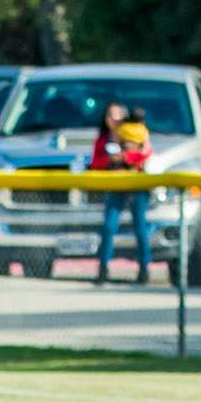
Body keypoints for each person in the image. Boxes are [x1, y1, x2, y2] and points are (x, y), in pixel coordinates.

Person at [91, 101, 153, 285]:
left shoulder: (137, 132)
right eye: (111, 115)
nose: (115, 119)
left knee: (141, 228)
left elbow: (146, 153)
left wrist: (126, 156)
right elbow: (96, 163)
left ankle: (144, 268)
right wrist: (110, 159)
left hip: (137, 185)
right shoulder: (104, 140)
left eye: (118, 115)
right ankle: (103, 268)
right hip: (116, 186)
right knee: (109, 227)